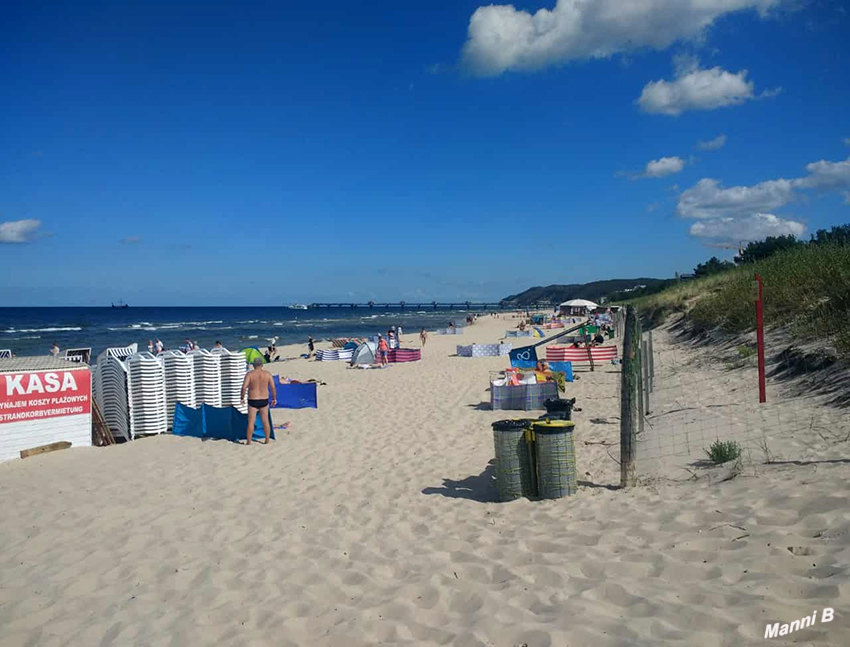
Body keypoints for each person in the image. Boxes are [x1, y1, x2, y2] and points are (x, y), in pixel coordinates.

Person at [240, 357, 276, 445]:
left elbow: (244, 387)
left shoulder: (249, 374)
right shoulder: (267, 374)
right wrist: (274, 398)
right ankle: (267, 440)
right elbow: (273, 388)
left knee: (251, 422)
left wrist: (242, 398)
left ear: (253, 365)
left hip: (253, 400)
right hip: (264, 400)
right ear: (262, 365)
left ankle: (249, 441)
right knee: (265, 421)